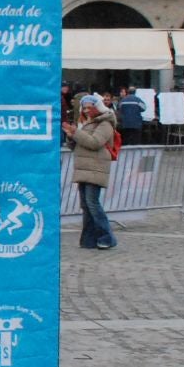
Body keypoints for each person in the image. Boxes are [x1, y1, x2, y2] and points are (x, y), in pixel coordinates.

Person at [65, 93, 118, 250]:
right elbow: (77, 145)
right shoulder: (83, 123)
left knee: (92, 203)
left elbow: (95, 142)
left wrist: (76, 133)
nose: (87, 110)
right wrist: (70, 137)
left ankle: (107, 236)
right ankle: (89, 239)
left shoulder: (105, 123)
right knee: (86, 205)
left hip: (96, 167)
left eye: (90, 107)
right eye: (85, 107)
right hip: (84, 167)